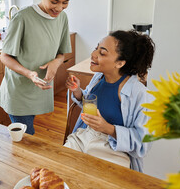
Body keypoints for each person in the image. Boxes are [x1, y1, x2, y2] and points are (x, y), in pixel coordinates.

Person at [0, 0, 83, 135]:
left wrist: (55, 63)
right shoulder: (22, 18)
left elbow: (61, 53)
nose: (59, 7)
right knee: (27, 137)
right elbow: (4, 56)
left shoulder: (62, 18)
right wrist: (29, 73)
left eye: (65, 2)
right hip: (19, 90)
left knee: (27, 136)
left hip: (40, 88)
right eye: (54, 1)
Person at [64, 30, 155, 172]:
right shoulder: (98, 78)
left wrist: (108, 128)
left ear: (119, 63)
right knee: (58, 169)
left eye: (102, 53)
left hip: (114, 150)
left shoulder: (141, 95)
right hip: (84, 137)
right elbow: (90, 105)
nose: (93, 55)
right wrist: (77, 91)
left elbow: (142, 144)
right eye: (96, 48)